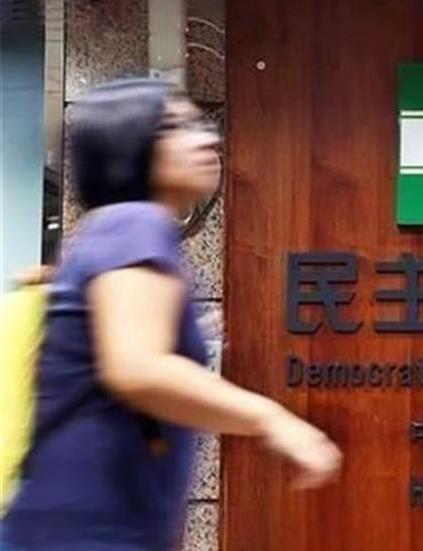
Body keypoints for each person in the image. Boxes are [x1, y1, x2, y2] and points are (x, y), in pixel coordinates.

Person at [1, 79, 342, 550]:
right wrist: (273, 418)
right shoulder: (133, 225)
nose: (206, 139)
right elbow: (137, 368)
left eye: (199, 124)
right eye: (177, 127)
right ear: (131, 142)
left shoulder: (111, 232)